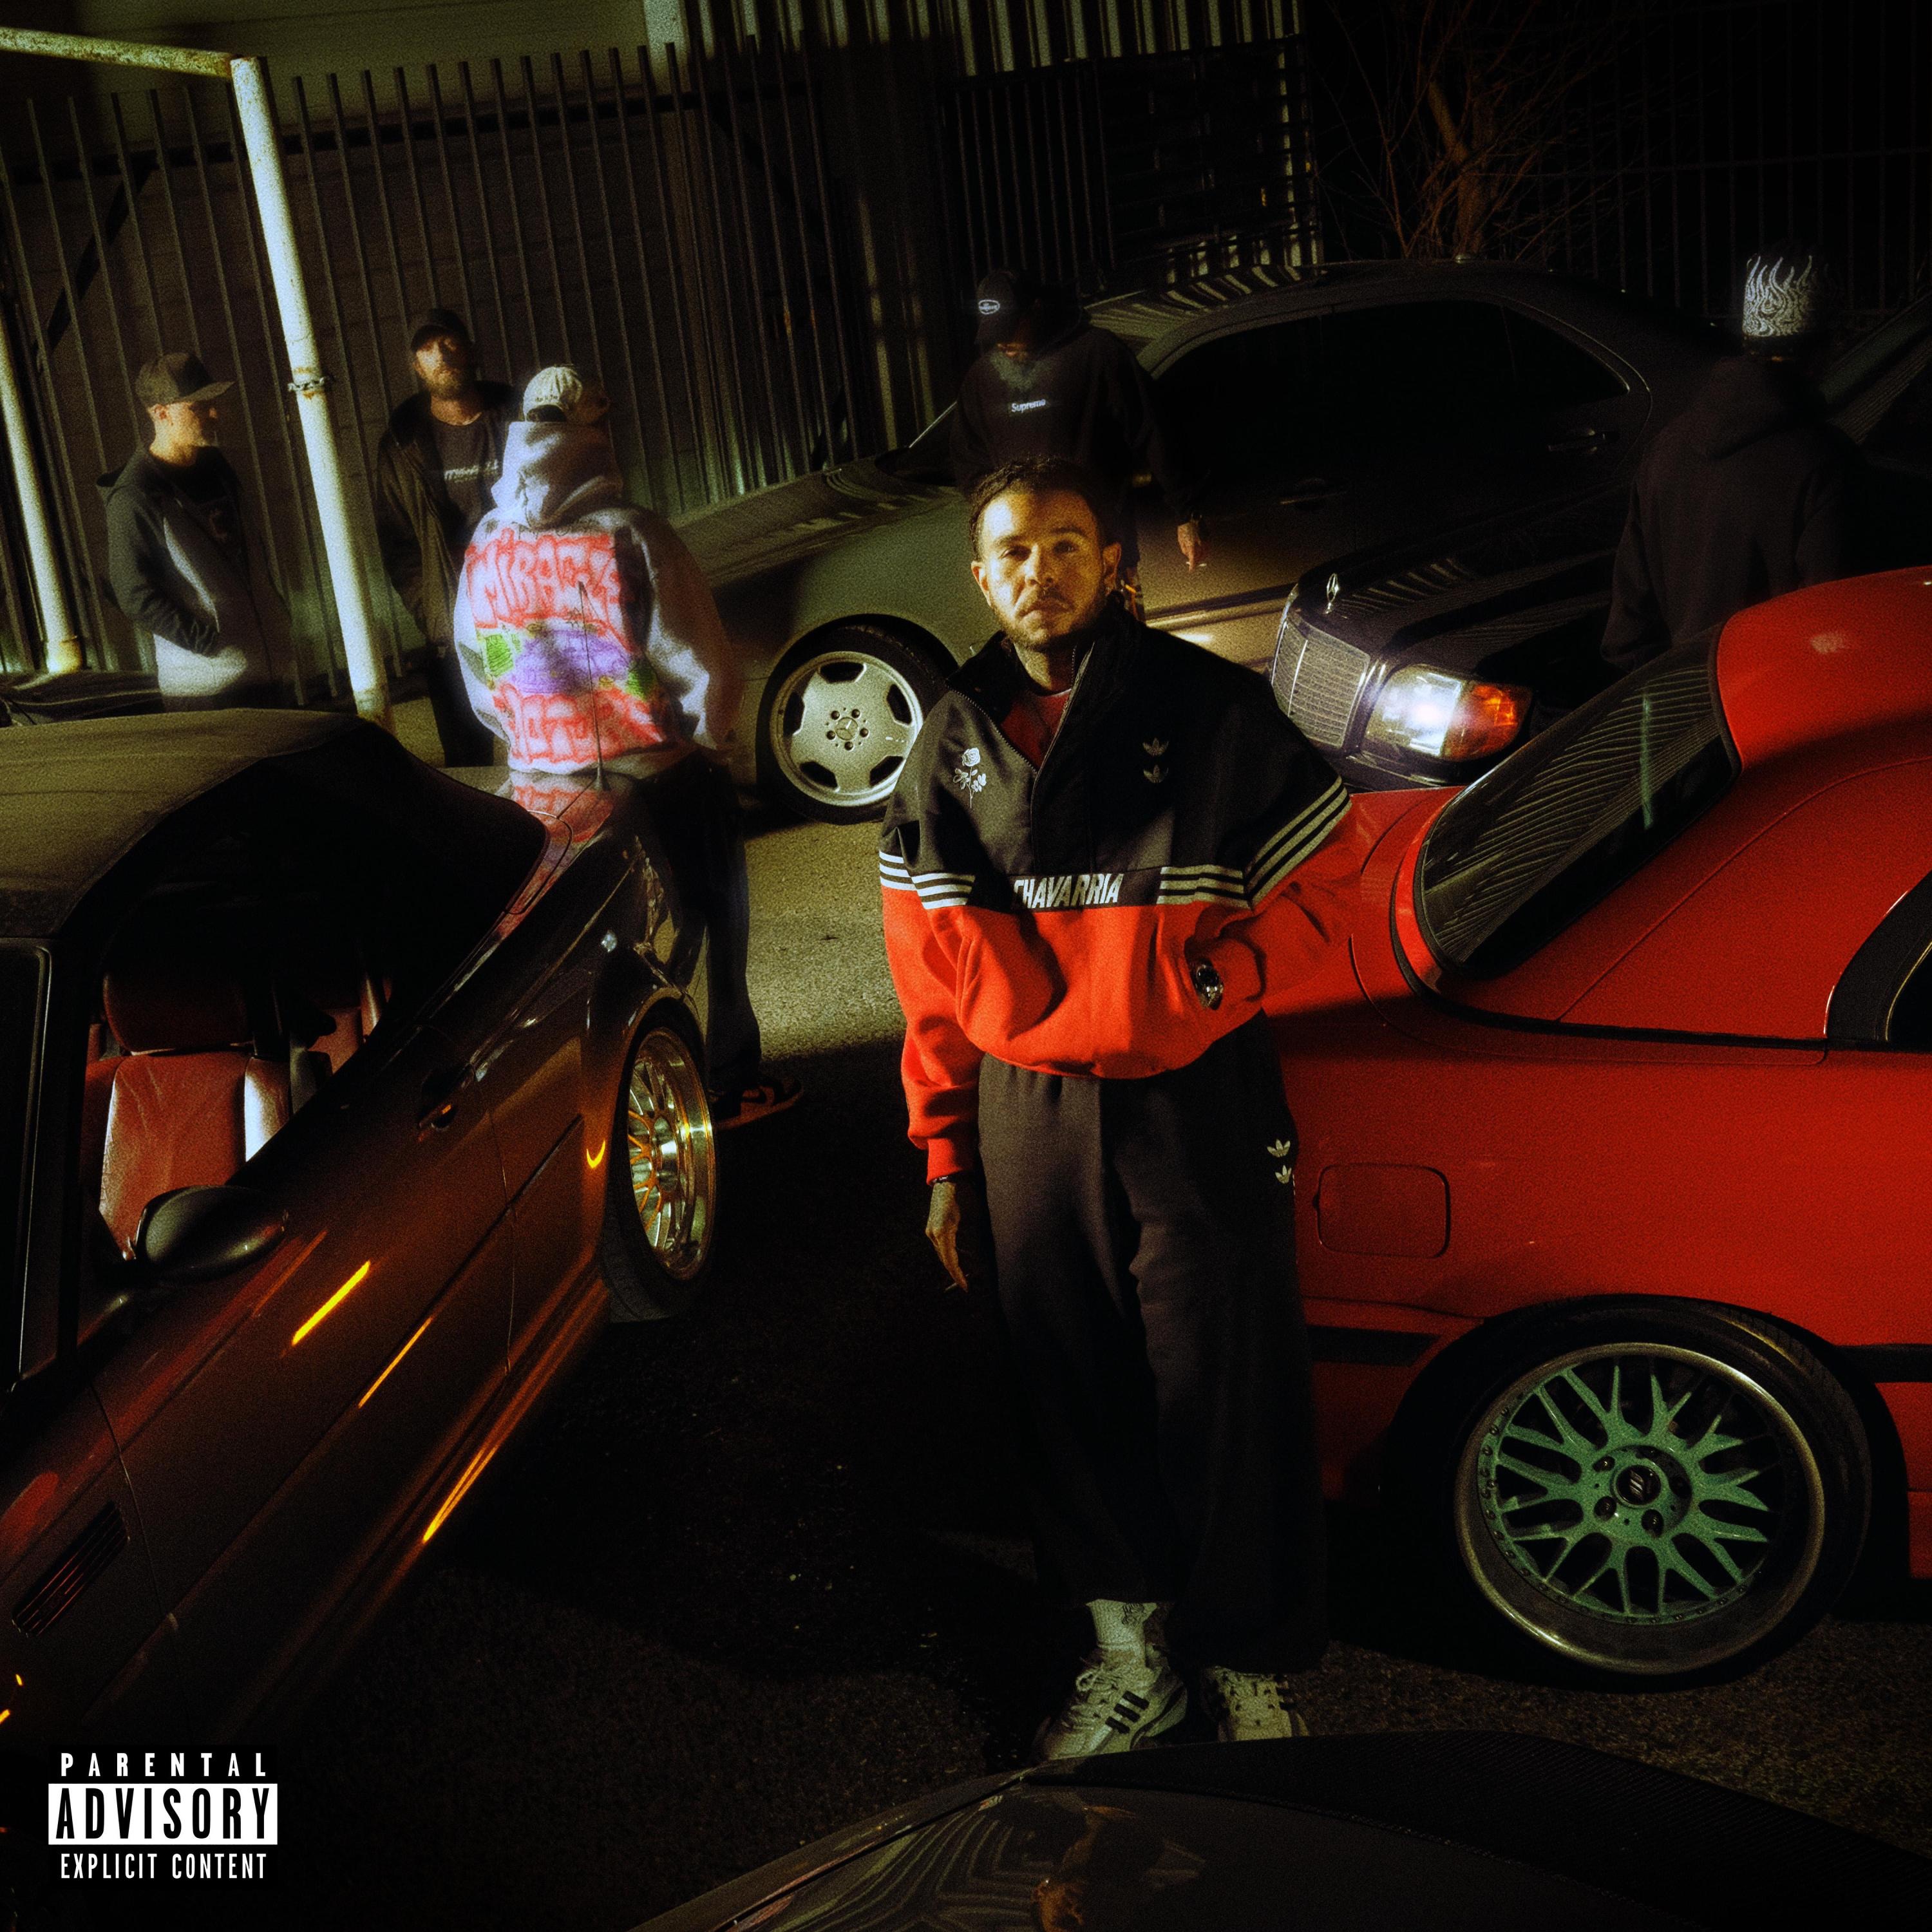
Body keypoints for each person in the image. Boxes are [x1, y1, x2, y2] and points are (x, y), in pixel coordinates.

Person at [878, 455, 1363, 1754]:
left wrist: (1211, 981)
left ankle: (1247, 1658)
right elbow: (926, 975)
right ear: (981, 579)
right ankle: (1129, 1657)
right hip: (1029, 1107)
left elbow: (1332, 879)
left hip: (1192, 1091)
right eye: (1013, 552)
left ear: (1114, 565)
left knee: (1228, 1379)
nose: (1040, 571)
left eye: (1065, 545)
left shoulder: (1211, 708)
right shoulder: (951, 739)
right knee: (1069, 1379)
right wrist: (944, 1150)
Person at [453, 366, 801, 1126]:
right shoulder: (632, 533)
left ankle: (609, 1101)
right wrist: (709, 738)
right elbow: (698, 659)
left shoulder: (488, 542)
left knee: (583, 949)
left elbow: (482, 663)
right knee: (713, 919)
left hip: (544, 783)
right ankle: (725, 1083)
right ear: (592, 434)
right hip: (657, 771)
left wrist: (526, 738)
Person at [1602, 245, 1855, 674]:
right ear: (1823, 347)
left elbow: (1628, 630)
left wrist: (1668, 699)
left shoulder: (1666, 450)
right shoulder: (1825, 462)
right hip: (1769, 703)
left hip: (1687, 702)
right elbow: (1833, 629)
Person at [949, 269, 1206, 614]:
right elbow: (968, 464)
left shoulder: (1097, 353)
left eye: (1011, 329)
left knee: (1118, 644)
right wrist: (1003, 515)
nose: (1003, 343)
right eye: (994, 334)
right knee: (1041, 644)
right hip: (1026, 567)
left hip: (1101, 552)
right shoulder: (982, 380)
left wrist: (1186, 512)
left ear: (1035, 310)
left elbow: (1154, 430)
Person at [100, 351, 289, 709]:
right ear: (161, 413)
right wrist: (209, 643)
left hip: (264, 671)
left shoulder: (216, 466)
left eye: (212, 403)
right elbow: (134, 593)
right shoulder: (136, 494)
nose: (214, 414)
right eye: (198, 407)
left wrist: (275, 619)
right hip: (206, 688)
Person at [374, 309, 515, 765]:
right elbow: (398, 544)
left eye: (450, 342)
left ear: (470, 350)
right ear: (417, 367)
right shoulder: (402, 445)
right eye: (428, 348)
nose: (442, 355)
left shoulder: (517, 420)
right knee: (468, 765)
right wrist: (432, 612)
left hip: (526, 606)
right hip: (455, 617)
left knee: (546, 743)